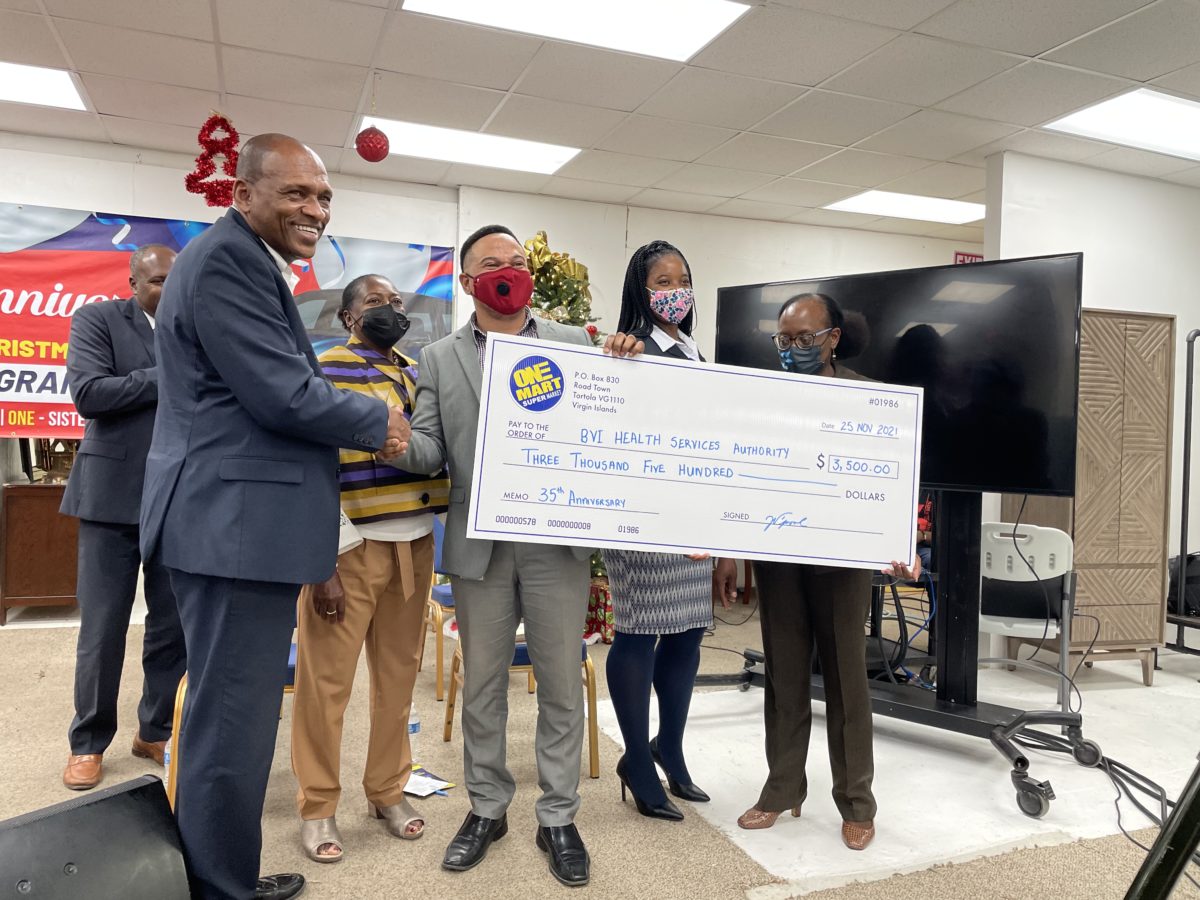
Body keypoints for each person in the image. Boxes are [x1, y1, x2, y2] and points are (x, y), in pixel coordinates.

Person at [140, 133, 410, 900]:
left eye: (323, 196)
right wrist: (378, 421)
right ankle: (220, 887)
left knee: (231, 720)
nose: (314, 209)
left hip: (233, 524)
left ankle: (221, 873)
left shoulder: (240, 260)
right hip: (231, 528)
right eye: (295, 192)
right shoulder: (228, 262)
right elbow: (281, 394)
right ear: (243, 194)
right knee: (231, 724)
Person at [387, 224, 641, 888]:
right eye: (493, 264)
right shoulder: (439, 358)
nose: (509, 271)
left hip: (557, 541)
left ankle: (557, 816)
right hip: (481, 545)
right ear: (468, 281)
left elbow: (614, 421)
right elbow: (429, 448)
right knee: (482, 687)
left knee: (560, 683)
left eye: (518, 262)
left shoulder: (575, 344)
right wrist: (395, 443)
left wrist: (626, 361)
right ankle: (488, 808)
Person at [714, 292, 919, 853]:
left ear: (833, 339)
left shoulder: (871, 400)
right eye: (784, 339)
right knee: (783, 672)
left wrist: (901, 542)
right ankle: (782, 789)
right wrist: (725, 540)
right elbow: (738, 473)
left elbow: (892, 479)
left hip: (842, 559)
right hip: (778, 553)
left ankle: (856, 802)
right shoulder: (761, 398)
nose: (793, 348)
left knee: (847, 677)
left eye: (805, 338)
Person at [291, 274, 450, 862]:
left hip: (415, 544)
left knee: (398, 681)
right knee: (325, 685)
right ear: (349, 316)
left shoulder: (415, 372)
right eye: (376, 302)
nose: (391, 310)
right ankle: (317, 805)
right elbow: (309, 467)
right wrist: (321, 560)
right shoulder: (327, 370)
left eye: (397, 302)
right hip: (350, 550)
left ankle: (386, 790)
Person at [603, 240, 728, 821]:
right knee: (639, 632)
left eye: (682, 280)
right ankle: (637, 759)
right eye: (662, 282)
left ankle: (669, 749)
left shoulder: (695, 351)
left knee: (688, 633)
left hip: (694, 515)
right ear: (641, 289)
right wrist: (613, 352)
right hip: (643, 517)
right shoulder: (628, 349)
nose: (675, 291)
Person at [59, 244, 186, 791]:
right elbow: (90, 394)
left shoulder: (197, 327)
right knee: (103, 626)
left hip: (178, 498)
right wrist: (170, 374)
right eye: (158, 280)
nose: (169, 289)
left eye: (176, 280)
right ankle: (88, 742)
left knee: (172, 625)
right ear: (133, 283)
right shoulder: (97, 320)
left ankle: (154, 729)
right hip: (110, 498)